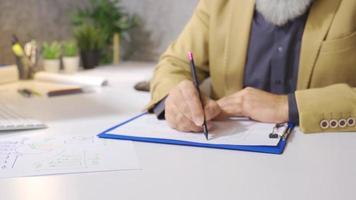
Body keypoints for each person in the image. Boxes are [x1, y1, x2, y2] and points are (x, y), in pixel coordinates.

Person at [147, 0, 356, 133]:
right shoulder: (218, 4)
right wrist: (175, 99)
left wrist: (286, 106)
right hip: (228, 162)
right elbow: (174, 64)